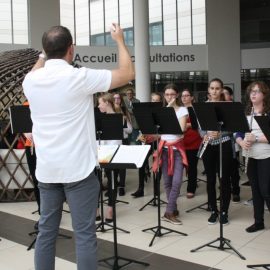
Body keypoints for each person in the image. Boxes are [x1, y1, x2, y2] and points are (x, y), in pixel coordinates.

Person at [22, 24, 134, 270]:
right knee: (84, 235)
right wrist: (119, 41)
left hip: (48, 171)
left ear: (45, 51)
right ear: (71, 49)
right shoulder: (79, 76)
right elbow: (127, 73)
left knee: (46, 233)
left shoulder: (31, 81)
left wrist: (43, 55)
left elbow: (35, 70)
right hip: (78, 172)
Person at [236, 81, 270, 233]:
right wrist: (241, 142)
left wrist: (256, 139)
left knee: (265, 190)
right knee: (255, 190)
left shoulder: (268, 113)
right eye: (251, 91)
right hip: (250, 155)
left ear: (264, 95)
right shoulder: (246, 113)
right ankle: (258, 222)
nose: (253, 94)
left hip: (266, 155)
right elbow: (238, 133)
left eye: (257, 91)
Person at [153, 84, 188, 225]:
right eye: (167, 94)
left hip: (177, 150)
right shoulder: (162, 110)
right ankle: (172, 208)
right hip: (164, 150)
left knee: (177, 181)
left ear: (177, 95)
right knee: (167, 182)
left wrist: (170, 109)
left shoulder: (182, 110)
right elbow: (160, 132)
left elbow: (180, 130)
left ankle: (168, 212)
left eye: (172, 94)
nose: (169, 97)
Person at [200, 78, 233, 225]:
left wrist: (222, 133)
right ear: (208, 90)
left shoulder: (229, 106)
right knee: (211, 180)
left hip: (224, 145)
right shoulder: (203, 106)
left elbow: (234, 128)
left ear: (221, 90)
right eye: (212, 88)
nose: (214, 91)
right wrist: (205, 134)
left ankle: (224, 211)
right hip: (209, 146)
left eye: (217, 88)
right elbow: (199, 128)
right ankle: (213, 210)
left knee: (224, 179)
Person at [131, 92, 163, 197]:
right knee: (141, 164)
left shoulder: (163, 113)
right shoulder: (146, 112)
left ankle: (156, 188)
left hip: (158, 141)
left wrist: (157, 136)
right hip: (147, 141)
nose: (155, 102)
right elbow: (143, 126)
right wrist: (142, 135)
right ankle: (141, 188)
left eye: (157, 100)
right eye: (153, 100)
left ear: (160, 102)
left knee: (157, 165)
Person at [181, 89, 202, 198]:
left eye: (186, 95)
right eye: (182, 96)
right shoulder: (179, 109)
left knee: (192, 166)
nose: (184, 98)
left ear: (192, 97)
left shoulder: (196, 109)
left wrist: (187, 125)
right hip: (181, 141)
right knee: (182, 166)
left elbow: (197, 125)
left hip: (194, 141)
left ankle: (191, 188)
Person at [223, 86, 241, 203]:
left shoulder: (235, 108)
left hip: (233, 143)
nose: (223, 96)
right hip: (221, 143)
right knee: (223, 171)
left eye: (225, 94)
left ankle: (236, 191)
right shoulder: (218, 108)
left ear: (230, 96)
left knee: (233, 169)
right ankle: (225, 192)